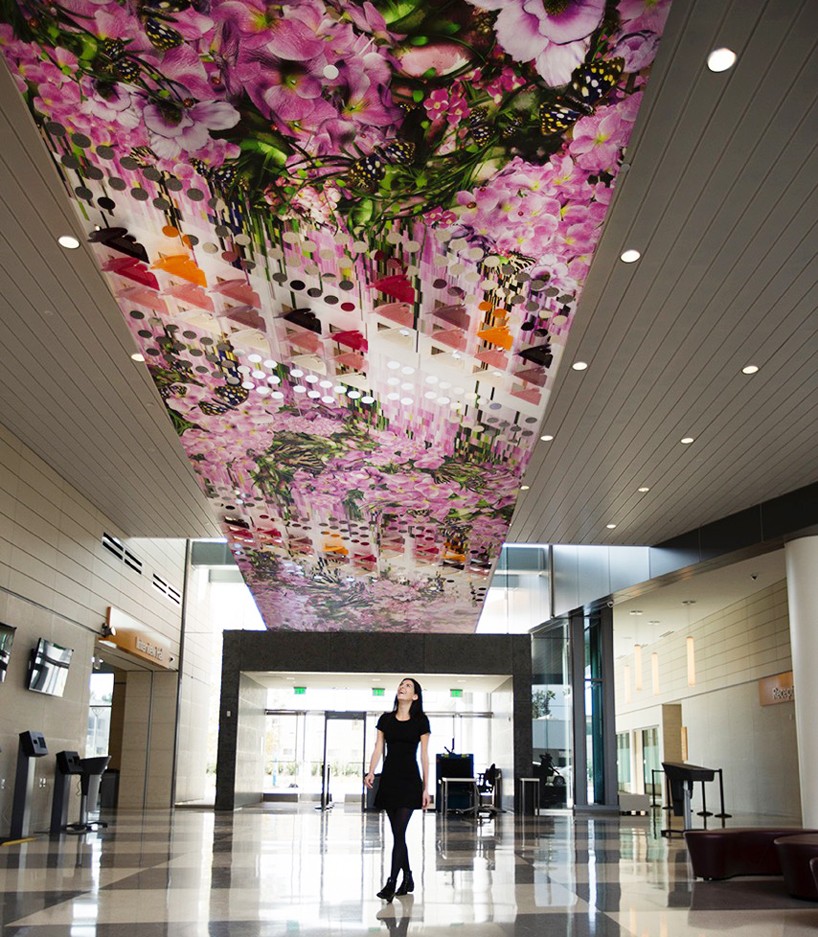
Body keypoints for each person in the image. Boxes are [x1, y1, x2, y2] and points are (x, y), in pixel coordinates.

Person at [365, 677, 431, 901]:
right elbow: (377, 748)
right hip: (390, 779)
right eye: (401, 685)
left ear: (415, 696)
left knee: (399, 833)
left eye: (408, 686)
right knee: (398, 835)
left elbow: (424, 756)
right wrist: (371, 770)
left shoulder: (421, 721)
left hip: (410, 781)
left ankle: (391, 883)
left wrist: (425, 788)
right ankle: (409, 876)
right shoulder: (385, 719)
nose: (402, 687)